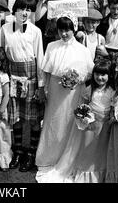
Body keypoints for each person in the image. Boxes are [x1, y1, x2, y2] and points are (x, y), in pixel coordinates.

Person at [35, 13, 94, 182]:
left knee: (69, 122)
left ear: (74, 29)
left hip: (74, 92)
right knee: (53, 121)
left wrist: (76, 79)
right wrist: (42, 88)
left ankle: (68, 159)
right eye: (61, 30)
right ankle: (49, 157)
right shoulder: (52, 46)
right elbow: (45, 70)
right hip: (55, 89)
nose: (64, 34)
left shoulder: (82, 49)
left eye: (68, 30)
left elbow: (89, 72)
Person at [0, 0, 45, 172]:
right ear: (15, 9)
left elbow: (40, 58)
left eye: (29, 10)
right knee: (15, 118)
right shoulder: (5, 29)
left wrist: (41, 86)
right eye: (21, 8)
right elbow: (0, 53)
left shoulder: (36, 31)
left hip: (31, 77)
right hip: (12, 76)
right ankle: (17, 151)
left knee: (32, 119)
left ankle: (31, 153)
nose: (24, 12)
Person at [70, 60, 115, 183]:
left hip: (105, 125)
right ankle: (86, 174)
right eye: (97, 74)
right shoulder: (89, 89)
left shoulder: (112, 91)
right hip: (91, 125)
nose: (100, 78)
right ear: (93, 74)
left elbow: (112, 108)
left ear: (109, 75)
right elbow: (84, 106)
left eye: (103, 75)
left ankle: (100, 173)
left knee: (101, 150)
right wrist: (83, 116)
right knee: (88, 149)